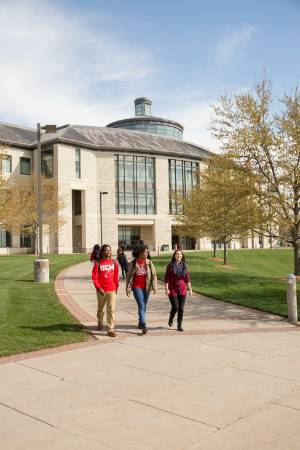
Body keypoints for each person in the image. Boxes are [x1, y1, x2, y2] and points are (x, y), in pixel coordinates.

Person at [126, 245, 157, 335]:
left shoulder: (149, 263)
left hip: (146, 287)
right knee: (142, 305)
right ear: (140, 253)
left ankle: (140, 321)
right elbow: (128, 276)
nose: (147, 254)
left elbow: (154, 275)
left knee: (143, 306)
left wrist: (154, 286)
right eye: (145, 252)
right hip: (137, 287)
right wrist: (127, 288)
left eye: (147, 252)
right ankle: (144, 324)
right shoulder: (133, 263)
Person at [92, 244, 119, 337]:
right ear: (102, 252)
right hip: (101, 291)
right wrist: (99, 288)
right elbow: (94, 278)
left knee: (111, 309)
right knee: (101, 309)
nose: (109, 252)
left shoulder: (114, 263)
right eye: (106, 250)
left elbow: (116, 277)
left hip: (112, 289)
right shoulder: (98, 264)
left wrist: (116, 287)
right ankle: (100, 321)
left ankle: (110, 329)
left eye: (110, 250)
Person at [164, 249, 192, 332]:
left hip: (182, 289)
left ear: (182, 256)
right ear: (174, 255)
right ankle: (171, 318)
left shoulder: (184, 266)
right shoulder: (170, 265)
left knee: (181, 309)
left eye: (180, 254)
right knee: (176, 307)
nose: (179, 256)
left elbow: (187, 279)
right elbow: (167, 278)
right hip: (172, 289)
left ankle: (179, 325)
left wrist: (190, 289)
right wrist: (166, 288)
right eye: (177, 254)